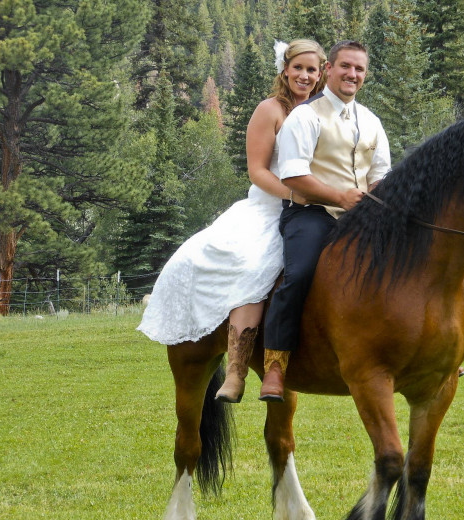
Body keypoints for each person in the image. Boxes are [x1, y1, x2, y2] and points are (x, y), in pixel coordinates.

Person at [137, 39, 327, 403]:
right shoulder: (270, 110)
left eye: (312, 70)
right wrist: (295, 195)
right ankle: (238, 370)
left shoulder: (326, 111)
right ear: (285, 70)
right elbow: (257, 172)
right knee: (252, 264)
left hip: (319, 206)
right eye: (298, 68)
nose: (304, 75)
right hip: (271, 206)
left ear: (321, 75)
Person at [259, 40, 392, 402]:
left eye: (359, 69)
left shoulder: (371, 121)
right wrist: (340, 197)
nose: (353, 74)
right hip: (310, 213)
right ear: (328, 70)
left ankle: (428, 347)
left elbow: (381, 173)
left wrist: (376, 195)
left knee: (409, 259)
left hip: (362, 216)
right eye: (345, 66)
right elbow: (292, 175)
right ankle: (275, 364)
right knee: (298, 274)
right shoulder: (305, 116)